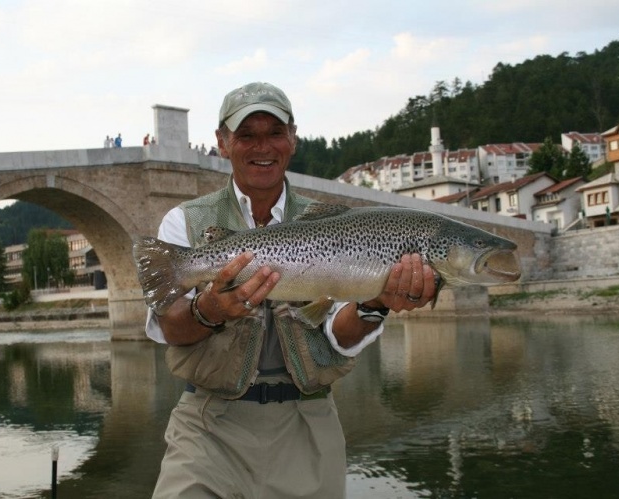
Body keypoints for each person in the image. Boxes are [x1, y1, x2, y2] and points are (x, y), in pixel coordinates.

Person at [145, 81, 436, 498]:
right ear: (223, 144)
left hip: (309, 423)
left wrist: (375, 304)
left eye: (275, 133)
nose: (262, 146)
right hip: (208, 427)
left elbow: (339, 334)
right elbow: (170, 329)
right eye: (247, 135)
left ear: (292, 139)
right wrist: (209, 310)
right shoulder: (184, 222)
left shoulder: (334, 225)